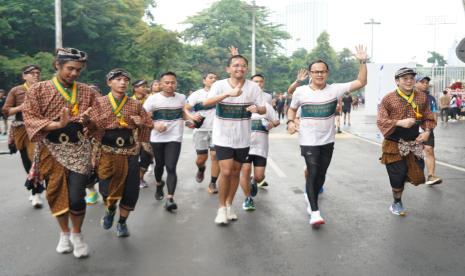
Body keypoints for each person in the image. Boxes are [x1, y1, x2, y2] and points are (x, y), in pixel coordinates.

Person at [23, 48, 97, 258]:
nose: (74, 74)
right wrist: (56, 125)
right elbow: (29, 118)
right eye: (70, 69)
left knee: (76, 196)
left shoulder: (87, 91)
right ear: (57, 65)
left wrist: (89, 121)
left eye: (78, 70)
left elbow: (99, 117)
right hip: (50, 148)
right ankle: (64, 233)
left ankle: (77, 234)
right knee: (55, 192)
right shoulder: (37, 90)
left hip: (79, 148)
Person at [287, 45, 368, 227]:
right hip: (308, 140)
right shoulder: (301, 92)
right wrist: (290, 122)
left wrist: (362, 61)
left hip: (327, 140)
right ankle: (315, 212)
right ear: (310, 73)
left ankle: (312, 198)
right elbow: (291, 110)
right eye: (315, 72)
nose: (319, 75)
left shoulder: (335, 90)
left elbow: (361, 82)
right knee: (313, 171)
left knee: (321, 175)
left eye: (322, 72)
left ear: (327, 73)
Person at [203, 54, 266, 225]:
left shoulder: (253, 87)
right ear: (228, 68)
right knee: (226, 171)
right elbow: (206, 102)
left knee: (236, 172)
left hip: (243, 138)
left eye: (243, 65)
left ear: (247, 68)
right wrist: (227, 94)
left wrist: (257, 109)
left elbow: (263, 108)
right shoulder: (219, 85)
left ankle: (230, 205)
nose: (239, 68)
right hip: (222, 137)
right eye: (236, 65)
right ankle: (221, 208)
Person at [91, 69, 152, 237]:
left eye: (126, 80)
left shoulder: (135, 104)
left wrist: (141, 123)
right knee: (106, 190)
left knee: (131, 190)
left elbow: (149, 123)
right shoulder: (99, 103)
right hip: (107, 152)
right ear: (109, 83)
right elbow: (90, 127)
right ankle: (110, 209)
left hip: (130, 152)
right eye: (118, 79)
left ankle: (122, 223)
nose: (123, 82)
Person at [377, 67, 436, 217]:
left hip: (414, 142)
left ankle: (400, 183)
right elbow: (381, 120)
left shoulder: (422, 98)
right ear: (397, 81)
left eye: (411, 78)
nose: (409, 81)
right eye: (405, 78)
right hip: (393, 143)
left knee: (417, 177)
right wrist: (398, 122)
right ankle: (397, 201)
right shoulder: (388, 99)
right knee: (398, 176)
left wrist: (427, 132)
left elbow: (429, 118)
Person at [143, 72, 196, 211]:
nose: (170, 85)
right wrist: (155, 125)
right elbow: (144, 117)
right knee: (159, 165)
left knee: (171, 167)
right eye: (166, 82)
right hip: (157, 137)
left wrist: (189, 121)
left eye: (173, 82)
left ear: (176, 83)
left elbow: (183, 113)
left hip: (175, 137)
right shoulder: (153, 99)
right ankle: (159, 183)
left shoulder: (181, 98)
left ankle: (170, 198)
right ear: (160, 84)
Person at [2, 65, 43, 207]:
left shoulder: (45, 89)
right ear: (24, 76)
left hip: (39, 129)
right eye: (32, 73)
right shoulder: (16, 90)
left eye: (38, 73)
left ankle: (37, 194)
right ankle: (33, 191)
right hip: (21, 129)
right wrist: (21, 107)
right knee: (27, 161)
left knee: (36, 160)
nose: (36, 75)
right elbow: (6, 111)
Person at [184, 72, 220, 194]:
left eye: (215, 78)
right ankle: (201, 168)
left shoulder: (222, 94)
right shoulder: (197, 94)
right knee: (201, 159)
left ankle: (213, 183)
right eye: (211, 78)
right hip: (201, 130)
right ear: (204, 81)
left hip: (218, 130)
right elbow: (185, 108)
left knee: (215, 156)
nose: (214, 79)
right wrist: (192, 118)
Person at [415, 75, 442, 185]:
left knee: (429, 149)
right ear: (415, 83)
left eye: (426, 82)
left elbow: (434, 114)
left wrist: (430, 129)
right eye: (422, 82)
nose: (425, 84)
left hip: (427, 128)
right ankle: (407, 174)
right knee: (411, 151)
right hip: (411, 128)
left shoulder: (431, 98)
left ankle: (431, 176)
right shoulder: (409, 96)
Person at [131, 79, 153, 188]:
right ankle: (132, 178)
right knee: (133, 157)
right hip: (132, 134)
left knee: (147, 156)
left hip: (147, 132)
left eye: (145, 86)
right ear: (135, 88)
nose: (145, 88)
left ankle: (140, 178)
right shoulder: (129, 101)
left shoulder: (151, 99)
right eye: (142, 86)